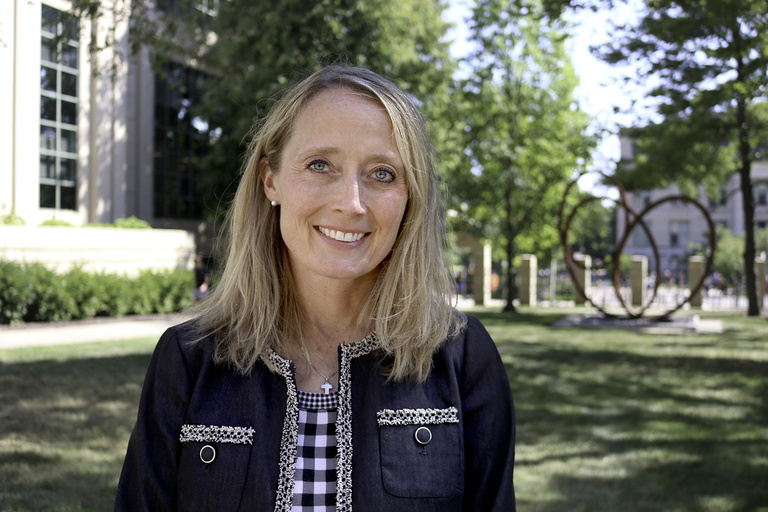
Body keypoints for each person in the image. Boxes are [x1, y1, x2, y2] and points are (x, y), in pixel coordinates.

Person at [115, 65, 515, 511]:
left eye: (382, 173)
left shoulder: (462, 358)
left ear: (410, 197)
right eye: (320, 165)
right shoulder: (189, 361)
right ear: (272, 180)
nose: (350, 202)